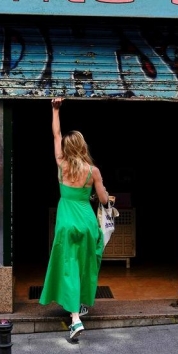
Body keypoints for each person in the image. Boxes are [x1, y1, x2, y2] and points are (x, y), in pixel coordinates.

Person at [39, 97, 112, 340]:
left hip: (67, 223)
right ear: (83, 146)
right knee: (85, 265)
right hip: (87, 223)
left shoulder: (61, 166)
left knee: (69, 267)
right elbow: (103, 200)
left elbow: (56, 135)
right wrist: (106, 200)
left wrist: (55, 109)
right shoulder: (94, 171)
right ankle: (79, 305)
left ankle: (75, 319)